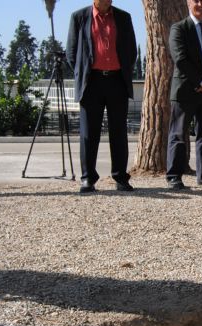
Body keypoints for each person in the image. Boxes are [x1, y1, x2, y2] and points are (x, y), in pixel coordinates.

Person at [66, 0, 137, 193]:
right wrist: (84, 74)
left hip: (117, 81)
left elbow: (131, 52)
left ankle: (121, 178)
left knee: (119, 132)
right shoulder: (79, 17)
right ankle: (88, 178)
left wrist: (122, 72)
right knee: (89, 133)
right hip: (92, 82)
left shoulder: (124, 17)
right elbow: (71, 53)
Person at [165, 0, 202, 190]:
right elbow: (180, 59)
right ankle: (174, 175)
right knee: (178, 134)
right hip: (185, 91)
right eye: (195, 0)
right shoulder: (179, 29)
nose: (200, 3)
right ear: (188, 2)